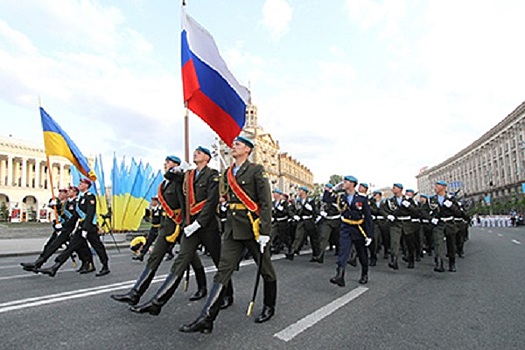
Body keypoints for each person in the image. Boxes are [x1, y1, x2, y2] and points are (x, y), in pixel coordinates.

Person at [179, 136, 276, 334]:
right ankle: (206, 318)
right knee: (223, 270)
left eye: (238, 144)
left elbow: (266, 202)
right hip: (233, 228)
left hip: (253, 228)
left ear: (247, 150)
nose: (234, 146)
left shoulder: (256, 170)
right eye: (234, 144)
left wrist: (265, 231)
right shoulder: (228, 172)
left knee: (266, 269)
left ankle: (269, 306)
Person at [129, 146, 233, 315]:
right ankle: (157, 302)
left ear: (207, 158)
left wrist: (198, 223)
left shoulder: (212, 174)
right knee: (181, 261)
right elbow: (169, 176)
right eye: (195, 152)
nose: (195, 154)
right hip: (190, 226)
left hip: (207, 227)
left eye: (199, 153)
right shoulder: (189, 175)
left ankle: (228, 294)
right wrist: (179, 168)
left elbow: (211, 201)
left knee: (218, 262)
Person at [111, 155, 205, 305]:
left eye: (168, 162)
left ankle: (202, 287)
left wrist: (186, 223)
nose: (165, 164)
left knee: (191, 257)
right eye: (165, 162)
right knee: (155, 257)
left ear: (176, 165)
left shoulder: (179, 181)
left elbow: (185, 203)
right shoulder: (164, 184)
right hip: (167, 226)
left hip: (180, 225)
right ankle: (135, 293)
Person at [37, 179, 110, 277]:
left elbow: (90, 214)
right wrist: (63, 226)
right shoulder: (80, 198)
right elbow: (75, 215)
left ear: (87, 186)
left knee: (98, 247)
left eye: (82, 183)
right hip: (81, 227)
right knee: (70, 247)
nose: (79, 185)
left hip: (90, 228)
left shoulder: (90, 197)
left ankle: (105, 265)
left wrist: (86, 229)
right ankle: (55, 267)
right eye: (79, 183)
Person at [21, 187, 90, 272]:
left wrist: (62, 224)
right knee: (51, 245)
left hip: (71, 229)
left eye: (64, 192)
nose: (60, 194)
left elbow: (73, 217)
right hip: (62, 228)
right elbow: (59, 213)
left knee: (79, 247)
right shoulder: (64, 203)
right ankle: (38, 263)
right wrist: (54, 207)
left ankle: (87, 263)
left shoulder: (75, 203)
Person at [329, 176, 373, 286]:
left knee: (362, 253)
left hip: (358, 228)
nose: (343, 183)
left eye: (346, 182)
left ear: (353, 184)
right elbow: (326, 199)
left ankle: (364, 273)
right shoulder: (341, 197)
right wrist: (334, 189)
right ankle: (340, 275)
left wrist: (370, 235)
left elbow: (368, 218)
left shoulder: (361, 199)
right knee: (343, 251)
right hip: (346, 227)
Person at [429, 181, 462, 272]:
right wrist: (431, 218)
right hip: (438, 224)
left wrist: (451, 206)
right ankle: (440, 263)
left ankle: (452, 263)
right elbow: (423, 211)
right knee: (438, 243)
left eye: (437, 186)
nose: (435, 188)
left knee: (451, 244)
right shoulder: (432, 199)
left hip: (449, 223)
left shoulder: (451, 199)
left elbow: (459, 212)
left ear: (443, 187)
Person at [384, 183, 419, 270]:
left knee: (409, 243)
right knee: (394, 242)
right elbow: (383, 209)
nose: (393, 189)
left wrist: (409, 206)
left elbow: (416, 212)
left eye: (395, 188)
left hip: (407, 223)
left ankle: (411, 260)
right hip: (396, 223)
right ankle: (394, 261)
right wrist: (388, 215)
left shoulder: (409, 200)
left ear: (400, 189)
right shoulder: (390, 201)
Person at [285, 186, 319, 261]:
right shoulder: (297, 201)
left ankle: (316, 254)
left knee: (313, 238)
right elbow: (290, 210)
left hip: (309, 220)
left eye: (300, 190)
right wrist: (294, 216)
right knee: (298, 237)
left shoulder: (310, 200)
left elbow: (316, 210)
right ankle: (292, 253)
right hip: (301, 220)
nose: (299, 191)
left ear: (304, 192)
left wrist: (311, 208)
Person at [315, 183, 341, 263]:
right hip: (327, 219)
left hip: (336, 220)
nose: (325, 189)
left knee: (337, 238)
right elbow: (325, 201)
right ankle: (320, 256)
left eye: (327, 188)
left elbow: (339, 207)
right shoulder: (326, 195)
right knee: (323, 237)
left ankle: (339, 252)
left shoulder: (338, 196)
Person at [132, 197, 162, 261]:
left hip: (160, 227)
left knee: (162, 242)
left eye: (154, 201)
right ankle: (142, 255)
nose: (153, 202)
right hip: (154, 227)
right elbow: (147, 216)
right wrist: (146, 217)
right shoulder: (151, 208)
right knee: (148, 241)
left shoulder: (160, 208)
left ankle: (168, 253)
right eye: (152, 201)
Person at [270, 188, 292, 255]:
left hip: (283, 222)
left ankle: (290, 249)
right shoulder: (273, 203)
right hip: (275, 221)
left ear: (279, 195)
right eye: (273, 193)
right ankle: (272, 248)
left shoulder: (284, 203)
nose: (274, 195)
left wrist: (281, 209)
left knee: (284, 237)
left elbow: (287, 212)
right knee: (271, 235)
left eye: (275, 193)